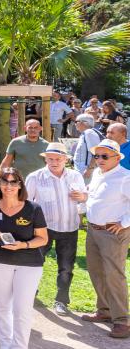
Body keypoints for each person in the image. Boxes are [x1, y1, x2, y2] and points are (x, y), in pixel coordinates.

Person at [0, 168, 49, 349]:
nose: (9, 186)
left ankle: (20, 346)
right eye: (4, 181)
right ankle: (5, 345)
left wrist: (23, 245)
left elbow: (43, 238)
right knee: (2, 306)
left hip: (29, 264)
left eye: (14, 182)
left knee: (22, 309)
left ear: (20, 184)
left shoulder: (33, 208)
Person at [24, 142, 87, 315]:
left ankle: (61, 301)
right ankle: (29, 295)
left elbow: (84, 200)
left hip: (69, 228)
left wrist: (82, 197)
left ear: (65, 159)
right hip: (42, 229)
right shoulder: (35, 177)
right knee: (35, 263)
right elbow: (27, 204)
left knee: (66, 267)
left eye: (58, 158)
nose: (54, 162)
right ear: (45, 159)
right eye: (50, 158)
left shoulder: (75, 176)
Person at [81, 139, 130, 338]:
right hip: (93, 230)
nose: (99, 160)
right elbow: (93, 196)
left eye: (104, 156)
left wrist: (125, 223)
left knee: (114, 275)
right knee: (96, 271)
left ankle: (122, 321)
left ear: (117, 158)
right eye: (97, 156)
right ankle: (104, 311)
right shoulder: (97, 174)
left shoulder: (125, 177)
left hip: (113, 233)